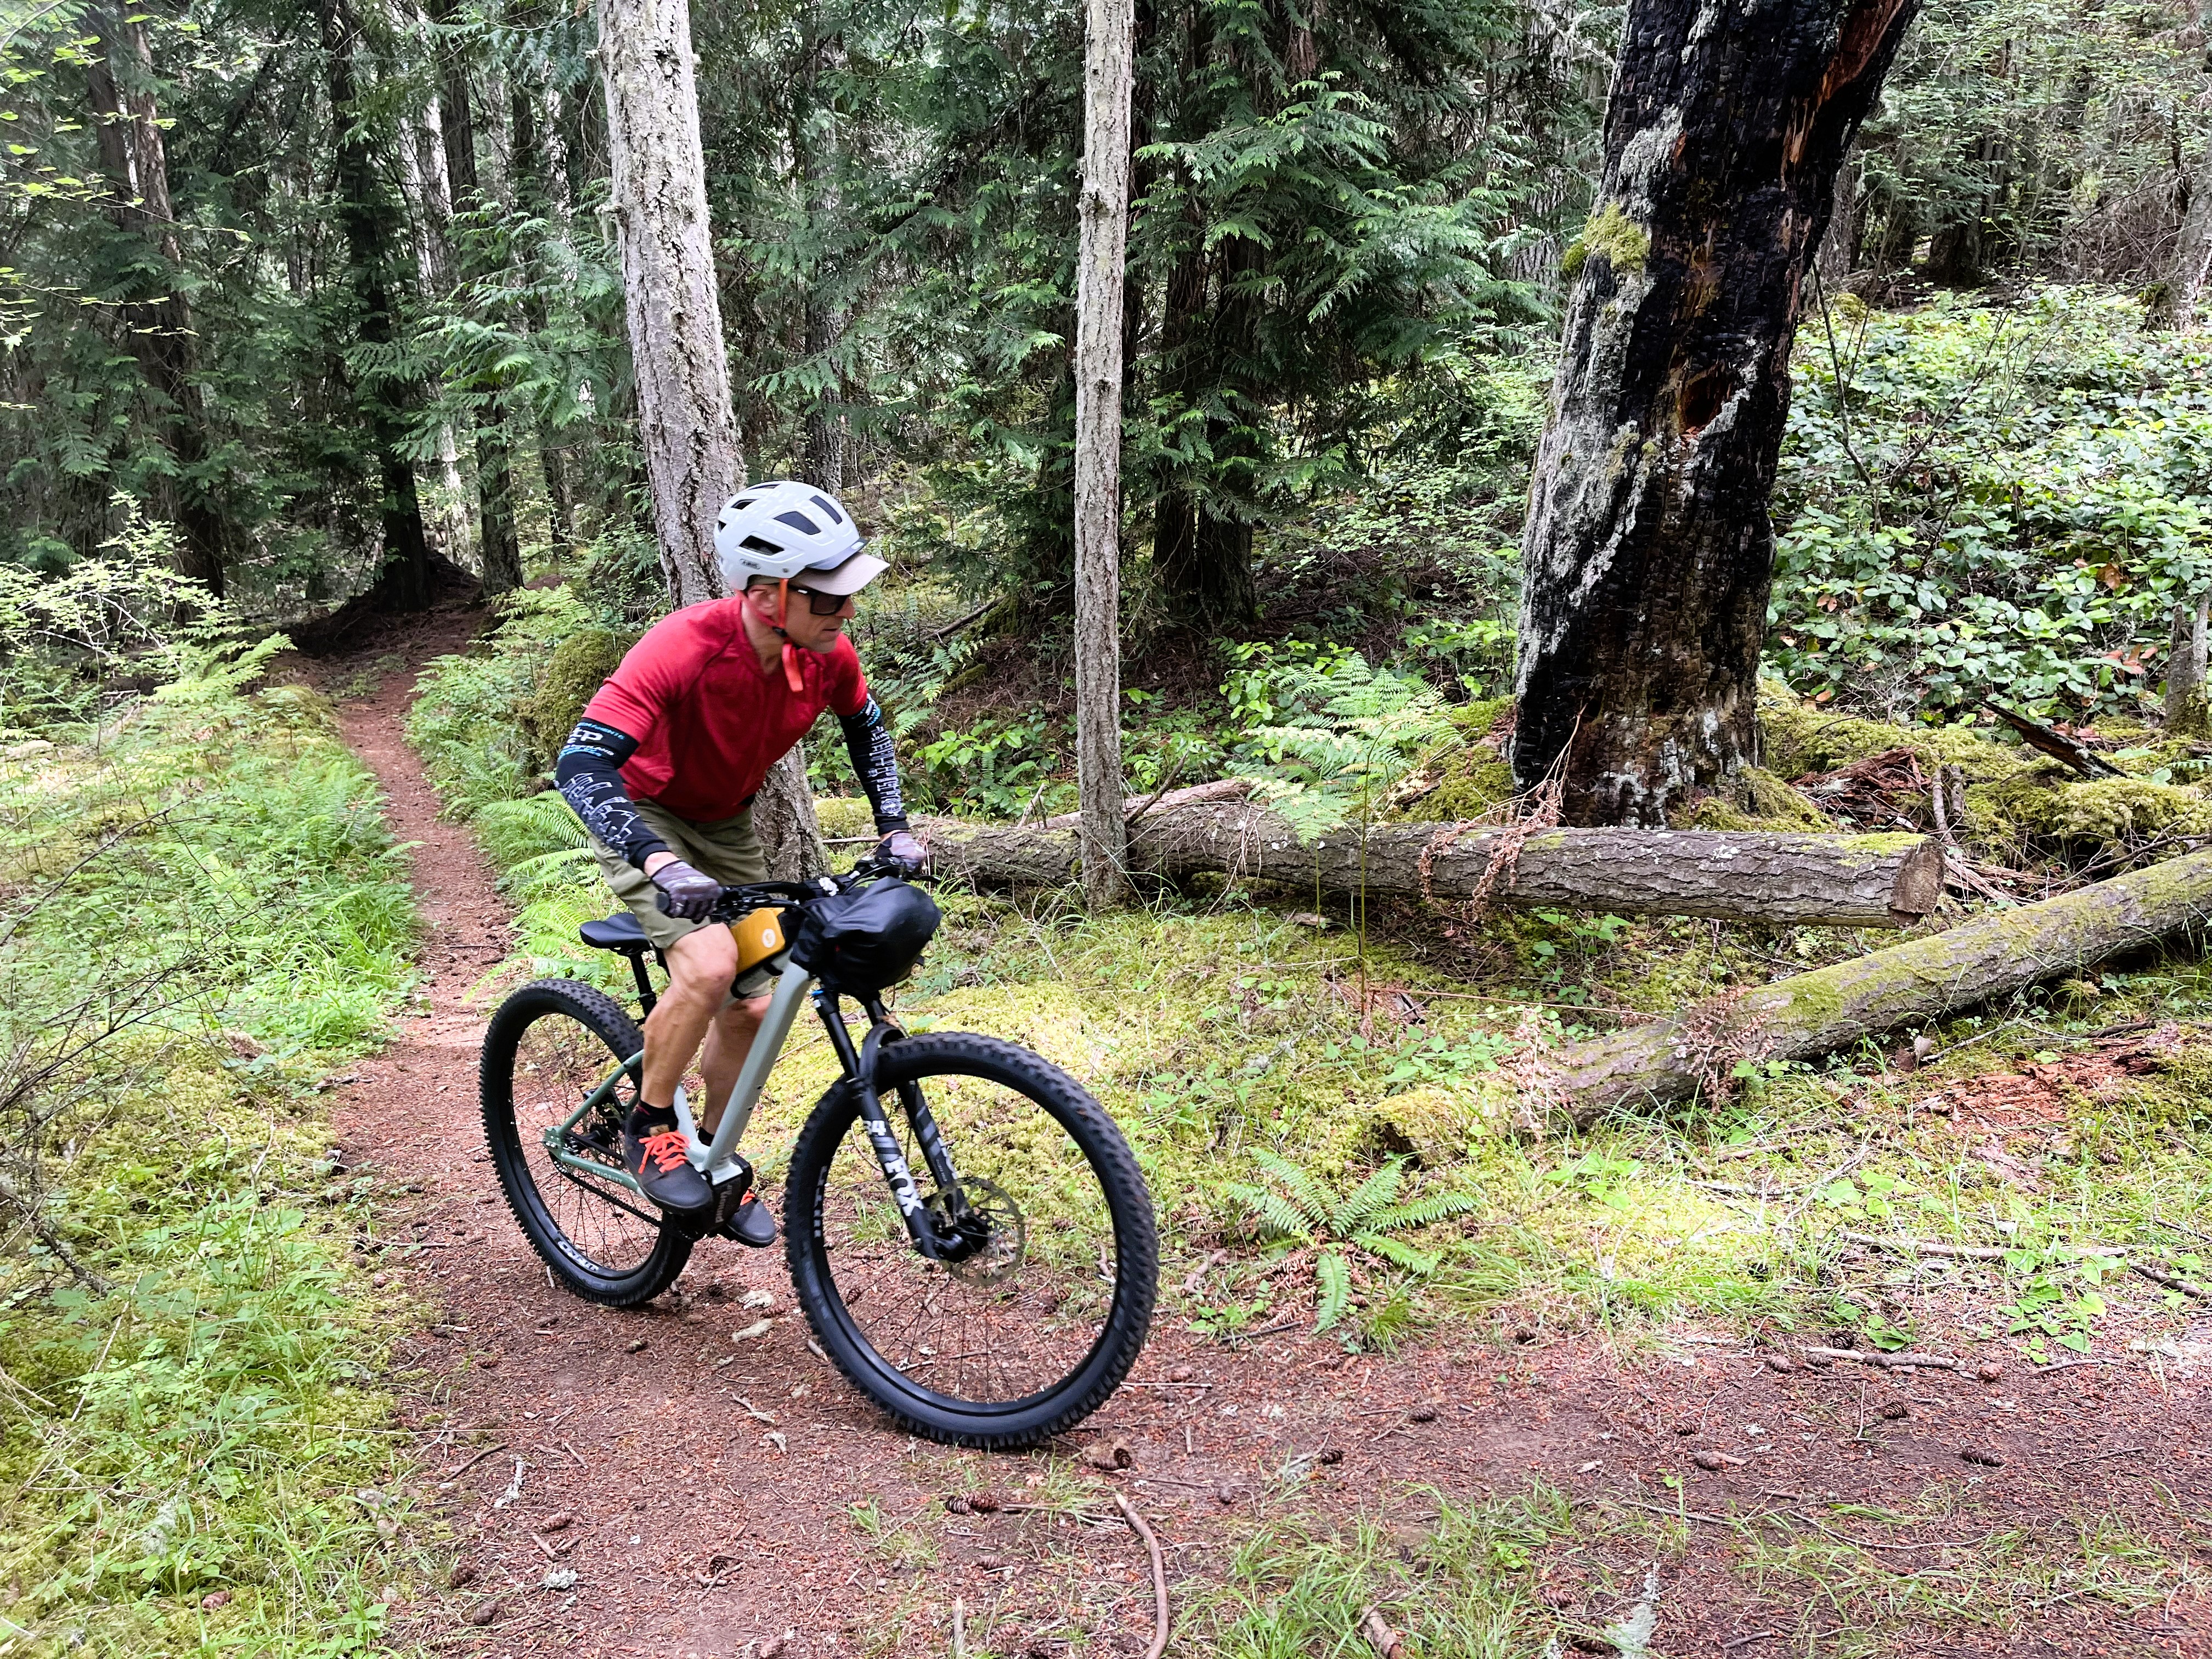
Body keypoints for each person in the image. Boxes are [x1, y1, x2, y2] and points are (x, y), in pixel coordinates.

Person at [554, 482, 927, 1239]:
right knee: (711, 965)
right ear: (766, 595)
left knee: (758, 1005)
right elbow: (580, 767)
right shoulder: (684, 645)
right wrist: (657, 862)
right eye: (827, 599)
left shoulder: (825, 655)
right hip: (647, 814)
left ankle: (710, 1158)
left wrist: (893, 826)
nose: (845, 611)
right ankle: (651, 1127)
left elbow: (868, 727)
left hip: (725, 824)